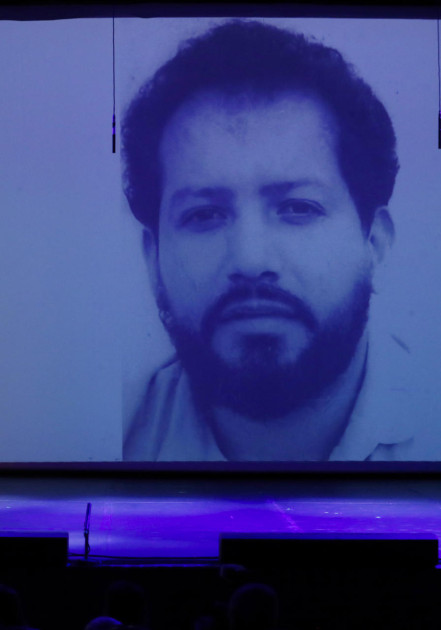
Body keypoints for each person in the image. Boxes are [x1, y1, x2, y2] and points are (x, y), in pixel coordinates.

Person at [120, 20, 436, 461]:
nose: (250, 259)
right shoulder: (109, 431)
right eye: (204, 214)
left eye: (298, 208)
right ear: (153, 259)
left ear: (374, 240)